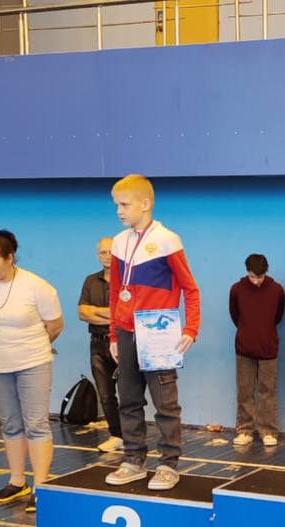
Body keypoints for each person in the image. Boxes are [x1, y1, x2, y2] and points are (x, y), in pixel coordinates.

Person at [104, 174, 201, 493]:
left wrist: (191, 328)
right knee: (128, 399)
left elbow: (190, 288)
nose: (119, 211)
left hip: (158, 332)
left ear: (145, 204)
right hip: (126, 332)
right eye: (116, 205)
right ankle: (133, 459)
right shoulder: (119, 242)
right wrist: (114, 334)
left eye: (124, 204)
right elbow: (115, 291)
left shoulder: (167, 239)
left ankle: (168, 463)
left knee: (165, 403)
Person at [0, 231, 62, 514]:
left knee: (36, 424)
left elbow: (55, 325)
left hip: (34, 362)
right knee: (10, 424)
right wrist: (4, 345)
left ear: (10, 257)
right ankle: (17, 481)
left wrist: (28, 346)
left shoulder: (37, 286)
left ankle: (41, 486)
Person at [229, 253, 285, 448]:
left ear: (266, 272)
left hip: (269, 348)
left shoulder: (276, 290)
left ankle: (268, 431)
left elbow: (278, 316)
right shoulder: (237, 290)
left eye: (260, 277)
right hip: (244, 349)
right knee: (245, 391)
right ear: (247, 272)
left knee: (267, 392)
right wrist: (247, 332)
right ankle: (245, 430)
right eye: (252, 277)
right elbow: (235, 315)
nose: (256, 281)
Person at [77, 237, 124, 451]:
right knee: (105, 394)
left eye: (111, 252)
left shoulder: (127, 280)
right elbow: (82, 313)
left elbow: (125, 315)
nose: (107, 256)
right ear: (98, 255)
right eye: (103, 252)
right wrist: (111, 315)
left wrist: (95, 311)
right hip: (97, 344)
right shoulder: (90, 281)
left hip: (123, 343)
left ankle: (133, 436)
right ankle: (117, 435)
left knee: (129, 394)